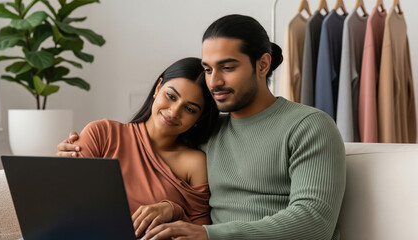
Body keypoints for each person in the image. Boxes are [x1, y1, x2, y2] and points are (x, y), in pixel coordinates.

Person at [58, 14, 346, 240]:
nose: (214, 81)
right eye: (208, 69)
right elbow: (144, 156)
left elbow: (314, 221)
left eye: (228, 67)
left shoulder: (309, 126)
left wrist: (210, 235)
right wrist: (72, 154)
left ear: (262, 65)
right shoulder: (205, 130)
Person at [57, 57, 219, 238]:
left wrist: (173, 210)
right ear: (158, 88)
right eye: (171, 96)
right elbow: (64, 199)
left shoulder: (194, 163)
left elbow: (199, 233)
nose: (174, 112)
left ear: (201, 117)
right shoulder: (102, 133)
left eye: (190, 109)